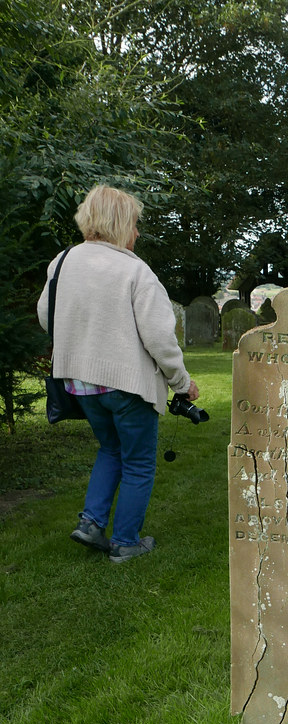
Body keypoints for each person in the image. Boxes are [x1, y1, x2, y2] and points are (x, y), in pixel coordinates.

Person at [37, 184, 199, 564]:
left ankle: (91, 523)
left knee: (111, 448)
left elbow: (47, 317)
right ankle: (126, 542)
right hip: (126, 385)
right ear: (119, 222)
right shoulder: (134, 269)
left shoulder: (62, 262)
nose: (138, 233)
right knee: (139, 462)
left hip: (80, 383)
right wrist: (181, 382)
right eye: (135, 224)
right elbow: (160, 338)